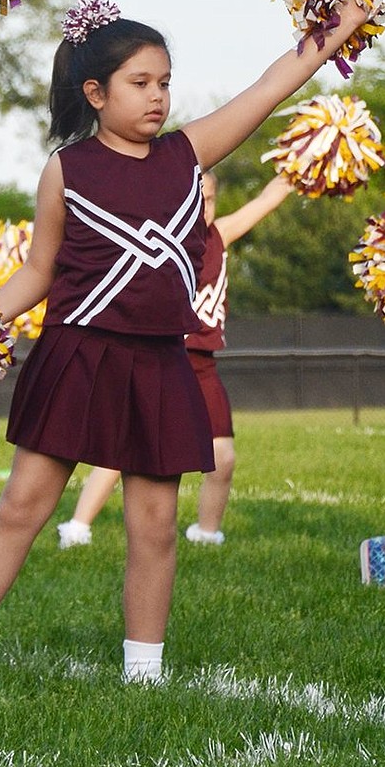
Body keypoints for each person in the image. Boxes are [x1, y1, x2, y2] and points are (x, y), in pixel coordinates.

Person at [0, 0, 375, 688]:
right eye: (141, 83)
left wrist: (342, 20)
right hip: (78, 353)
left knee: (156, 525)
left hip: (159, 359)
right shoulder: (66, 170)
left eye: (164, 82)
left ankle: (144, 672)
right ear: (95, 93)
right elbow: (38, 272)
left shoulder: (188, 153)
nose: (158, 96)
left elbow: (275, 82)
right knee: (23, 507)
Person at [57, 172, 293, 549]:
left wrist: (306, 158)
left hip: (202, 364)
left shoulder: (219, 235)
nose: (203, 211)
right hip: (158, 358)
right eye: (195, 203)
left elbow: (268, 198)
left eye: (210, 201)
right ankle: (77, 526)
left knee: (223, 456)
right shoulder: (157, 240)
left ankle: (207, 532)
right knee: (123, 448)